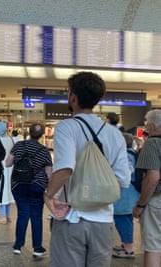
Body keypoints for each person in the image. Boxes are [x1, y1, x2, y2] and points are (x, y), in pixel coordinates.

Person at [44, 72, 130, 267]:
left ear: (72, 96)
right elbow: (123, 180)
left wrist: (48, 195)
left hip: (71, 218)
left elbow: (65, 168)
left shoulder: (67, 127)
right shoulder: (115, 134)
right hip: (103, 221)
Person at [5, 123, 52, 257]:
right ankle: (37, 248)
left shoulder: (19, 146)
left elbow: (8, 163)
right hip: (37, 185)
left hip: (18, 184)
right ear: (42, 135)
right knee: (36, 216)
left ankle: (18, 245)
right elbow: (49, 172)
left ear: (29, 132)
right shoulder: (44, 150)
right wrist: (49, 189)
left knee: (23, 213)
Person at [132, 109, 161, 267]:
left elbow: (153, 177)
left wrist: (140, 205)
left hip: (157, 201)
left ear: (152, 126)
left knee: (153, 245)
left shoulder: (153, 143)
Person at [112, 133, 140, 259]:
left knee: (123, 220)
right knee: (125, 220)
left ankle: (128, 249)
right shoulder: (131, 153)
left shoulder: (126, 156)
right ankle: (125, 244)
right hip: (129, 194)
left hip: (125, 195)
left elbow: (126, 173)